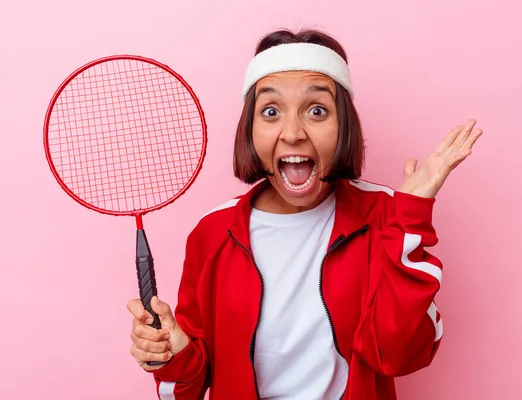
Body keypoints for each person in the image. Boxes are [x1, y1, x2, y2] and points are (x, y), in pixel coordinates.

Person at [126, 28, 483, 400]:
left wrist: (410, 215)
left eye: (317, 110)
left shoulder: (386, 216)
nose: (293, 132)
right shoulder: (213, 232)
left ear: (344, 124)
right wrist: (173, 353)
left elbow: (399, 356)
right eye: (270, 111)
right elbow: (189, 387)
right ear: (249, 130)